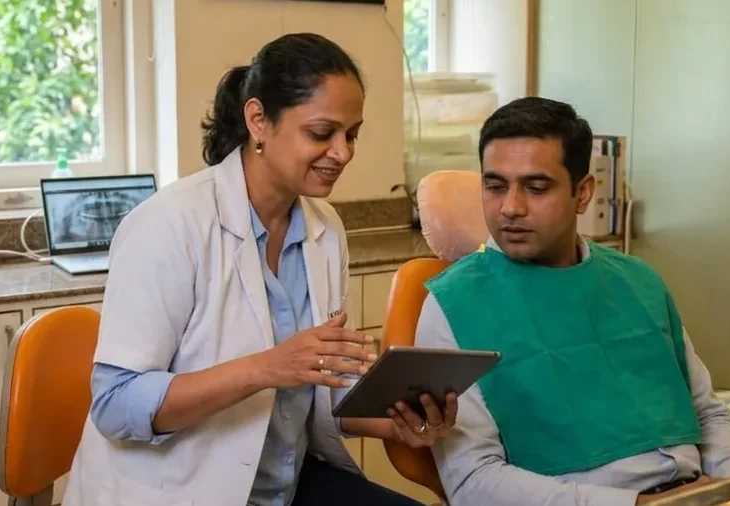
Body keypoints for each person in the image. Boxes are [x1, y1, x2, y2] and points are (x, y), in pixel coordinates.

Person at [61, 33, 458, 506]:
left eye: (351, 134)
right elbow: (116, 405)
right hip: (176, 489)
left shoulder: (324, 229)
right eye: (321, 133)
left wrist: (397, 422)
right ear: (258, 121)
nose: (343, 152)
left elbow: (323, 393)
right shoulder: (169, 224)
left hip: (283, 484)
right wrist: (266, 368)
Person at [414, 96, 730, 506]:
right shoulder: (454, 306)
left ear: (584, 192)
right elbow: (473, 482)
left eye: (536, 188)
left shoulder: (638, 281)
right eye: (495, 185)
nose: (510, 208)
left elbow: (708, 414)